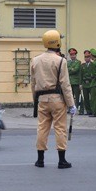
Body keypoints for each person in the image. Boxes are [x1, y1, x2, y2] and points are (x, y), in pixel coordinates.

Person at [32, 30, 76, 169]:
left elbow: (33, 83)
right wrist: (71, 104)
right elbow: (65, 84)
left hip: (42, 99)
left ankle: (40, 160)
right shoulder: (61, 60)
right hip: (57, 99)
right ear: (57, 42)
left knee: (42, 129)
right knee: (60, 129)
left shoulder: (35, 60)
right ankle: (61, 160)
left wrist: (35, 100)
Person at [67, 48, 82, 115]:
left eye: (74, 55)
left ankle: (76, 108)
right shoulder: (68, 62)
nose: (72, 56)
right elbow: (66, 70)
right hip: (69, 82)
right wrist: (71, 69)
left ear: (76, 55)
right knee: (70, 96)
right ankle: (70, 108)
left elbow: (75, 70)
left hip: (76, 82)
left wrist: (70, 69)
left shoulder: (78, 62)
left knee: (77, 96)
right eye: (71, 55)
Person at [79, 50, 94, 116]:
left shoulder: (93, 64)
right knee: (86, 98)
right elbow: (80, 75)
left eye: (88, 57)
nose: (86, 58)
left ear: (90, 57)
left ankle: (93, 110)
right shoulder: (82, 65)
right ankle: (88, 111)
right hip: (84, 84)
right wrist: (80, 84)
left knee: (92, 98)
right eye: (85, 57)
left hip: (91, 83)